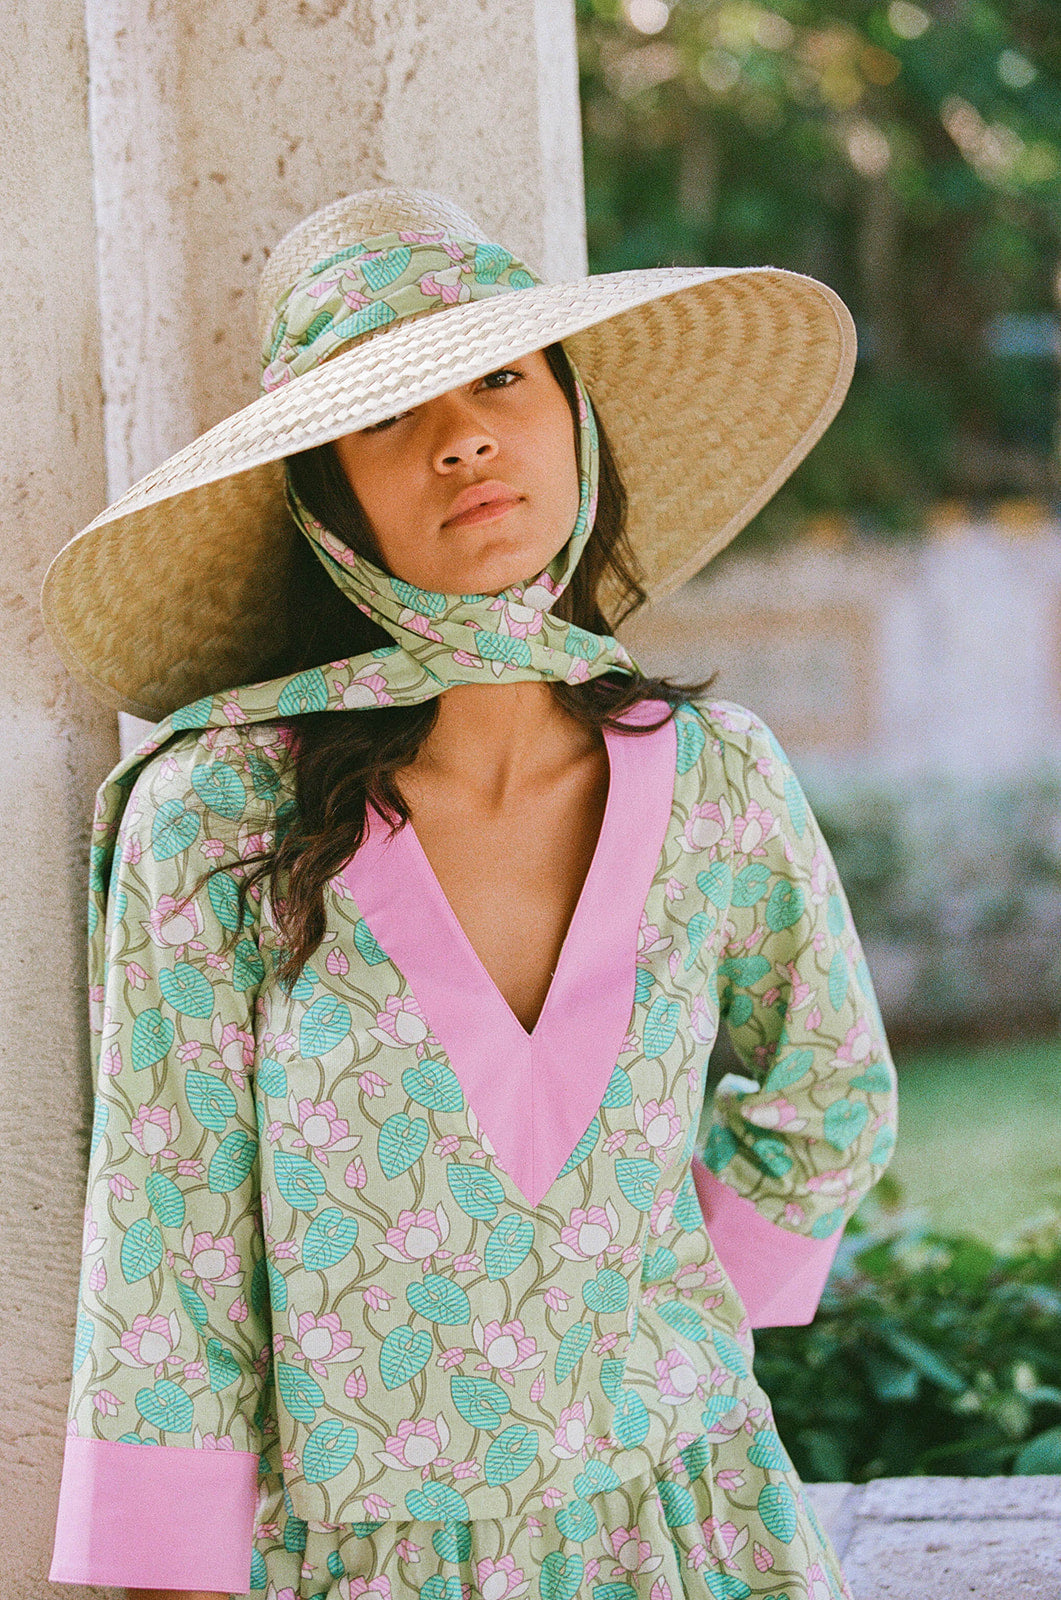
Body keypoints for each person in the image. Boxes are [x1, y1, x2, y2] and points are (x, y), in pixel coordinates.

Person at [43, 188, 897, 1600]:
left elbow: (832, 1097)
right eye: (388, 416)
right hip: (358, 1564)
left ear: (575, 413)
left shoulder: (717, 781)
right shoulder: (213, 820)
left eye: (501, 375)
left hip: (687, 1528)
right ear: (325, 496)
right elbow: (167, 1248)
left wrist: (653, 1316)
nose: (464, 437)